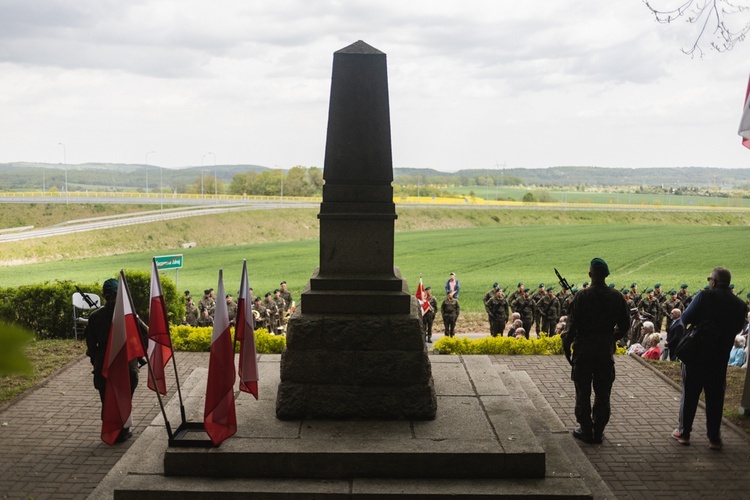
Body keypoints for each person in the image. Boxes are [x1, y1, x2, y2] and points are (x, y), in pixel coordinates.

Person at [672, 267, 748, 450]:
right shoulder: (739, 304)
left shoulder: (704, 296)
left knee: (690, 394)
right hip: (720, 356)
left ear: (713, 282)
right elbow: (738, 328)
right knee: (715, 396)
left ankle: (684, 433)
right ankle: (714, 438)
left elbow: (686, 317)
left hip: (696, 354)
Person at [562, 257, 630, 445]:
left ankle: (586, 429)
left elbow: (570, 327)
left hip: (583, 350)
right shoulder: (616, 296)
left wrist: (567, 348)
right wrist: (611, 337)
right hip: (604, 351)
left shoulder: (582, 297)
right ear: (606, 275)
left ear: (590, 274)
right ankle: (598, 430)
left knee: (582, 391)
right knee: (603, 391)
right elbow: (625, 324)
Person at [85, 278, 146, 444]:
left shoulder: (95, 317)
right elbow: (145, 335)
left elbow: (91, 345)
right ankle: (123, 430)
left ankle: (113, 430)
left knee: (107, 400)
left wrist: (97, 359)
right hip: (127, 366)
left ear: (104, 295)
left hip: (104, 366)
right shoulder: (129, 316)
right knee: (124, 398)